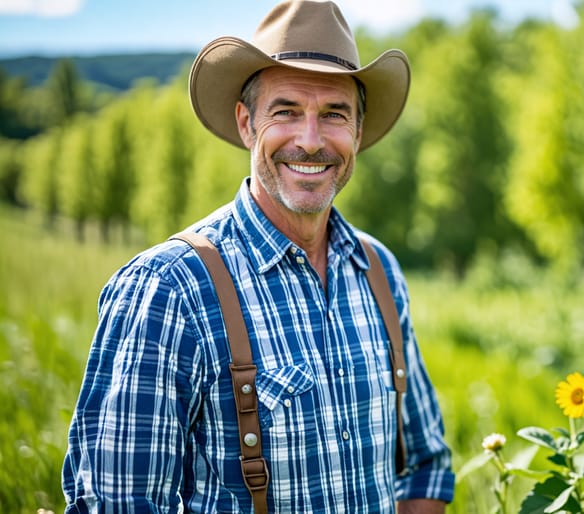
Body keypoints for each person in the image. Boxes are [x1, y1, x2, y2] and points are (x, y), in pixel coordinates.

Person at [61, 1, 455, 512]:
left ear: (357, 131)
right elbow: (119, 503)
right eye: (286, 111)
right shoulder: (168, 289)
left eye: (334, 114)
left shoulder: (379, 272)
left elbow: (426, 466)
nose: (310, 141)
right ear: (247, 124)